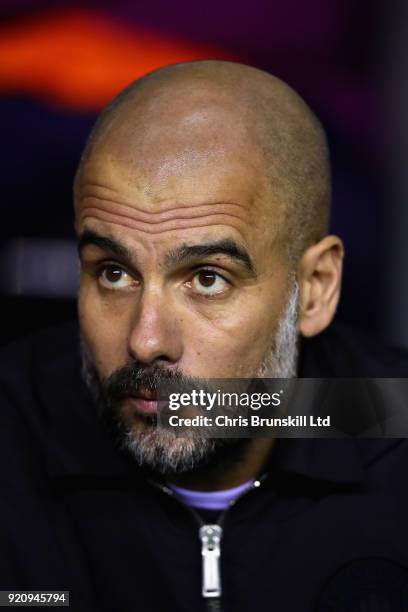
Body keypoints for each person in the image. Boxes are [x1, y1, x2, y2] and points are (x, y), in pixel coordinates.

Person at [1, 60, 408, 611]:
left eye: (207, 279)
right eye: (113, 273)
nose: (146, 341)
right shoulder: (13, 429)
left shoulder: (391, 428)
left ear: (314, 288)